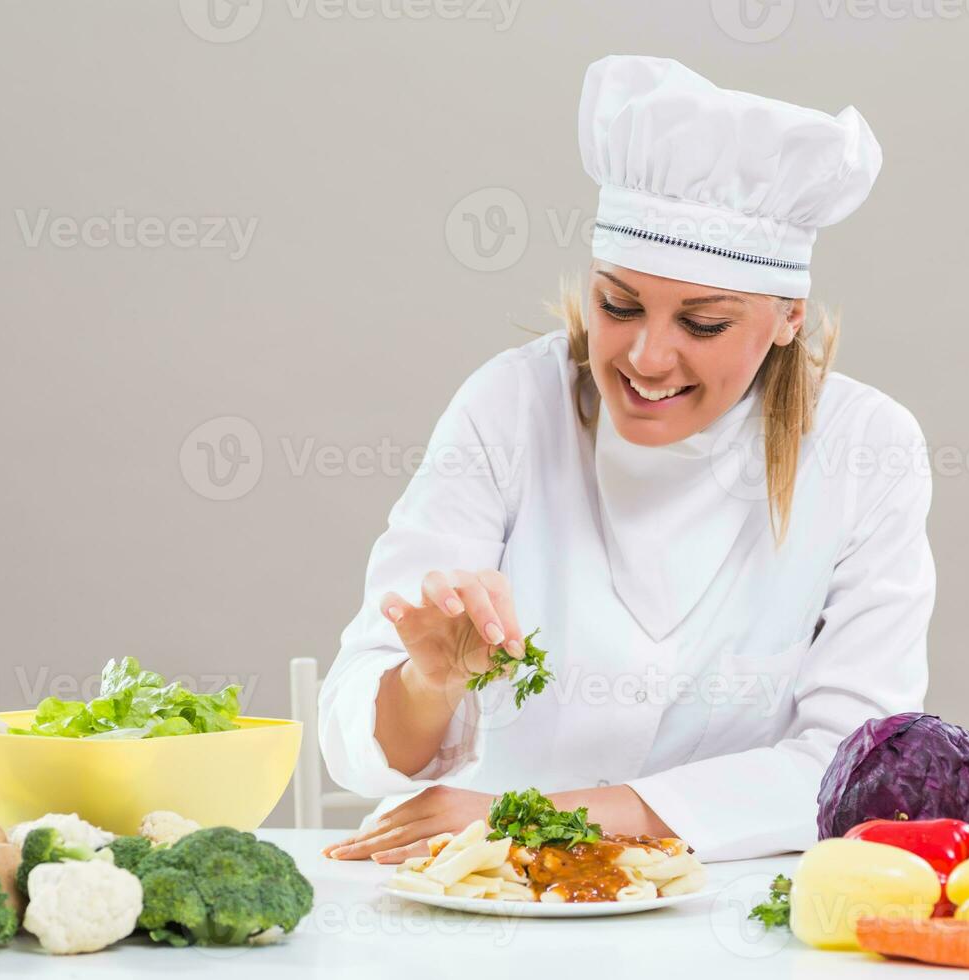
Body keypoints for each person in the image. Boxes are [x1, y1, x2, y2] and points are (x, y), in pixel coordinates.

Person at [320, 55, 934, 864]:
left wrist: (528, 816)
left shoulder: (868, 448)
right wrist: (429, 683)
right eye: (618, 305)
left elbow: (851, 766)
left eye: (703, 324)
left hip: (737, 913)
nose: (646, 358)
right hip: (495, 896)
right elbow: (360, 741)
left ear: (788, 317)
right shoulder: (513, 405)